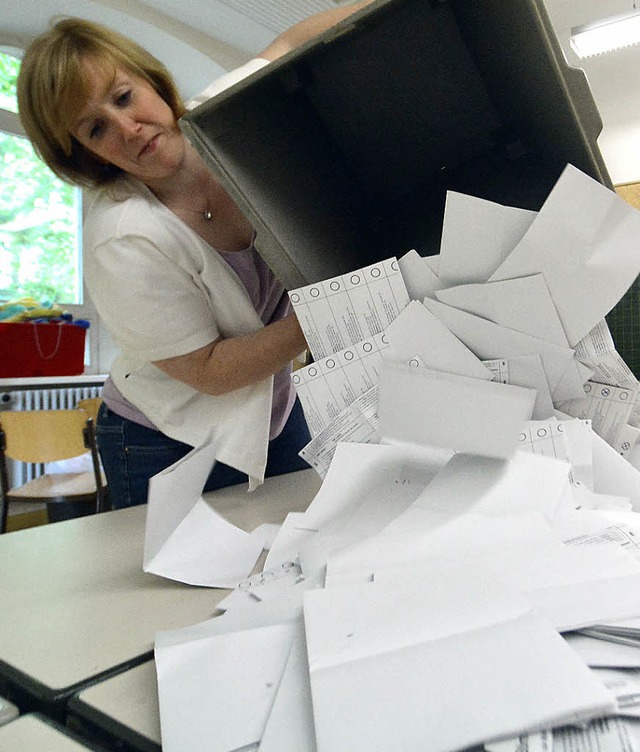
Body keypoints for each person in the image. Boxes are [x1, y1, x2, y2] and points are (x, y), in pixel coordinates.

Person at [17, 1, 373, 507]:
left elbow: (293, 43)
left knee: (302, 535)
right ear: (82, 153)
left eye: (123, 97)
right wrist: (337, 307)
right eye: (95, 129)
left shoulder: (230, 117)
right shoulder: (122, 235)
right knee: (193, 583)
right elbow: (208, 370)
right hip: (162, 435)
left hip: (272, 405)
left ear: (153, 82)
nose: (126, 128)